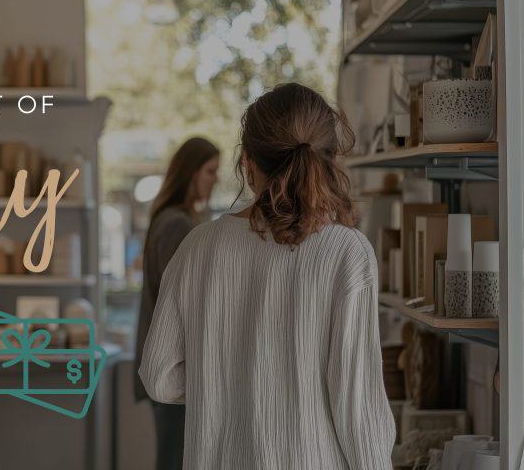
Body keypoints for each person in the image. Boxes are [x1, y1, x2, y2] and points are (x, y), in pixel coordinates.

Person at [139, 83, 395, 469]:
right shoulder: (347, 253)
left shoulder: (198, 247)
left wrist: (228, 378)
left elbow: (159, 375)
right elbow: (358, 412)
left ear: (247, 162)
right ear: (328, 162)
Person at [133, 136, 220, 470]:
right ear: (191, 172)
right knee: (174, 460)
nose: (214, 180)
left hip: (169, 361)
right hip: (174, 364)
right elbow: (182, 304)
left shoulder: (172, 219)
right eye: (210, 171)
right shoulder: (177, 224)